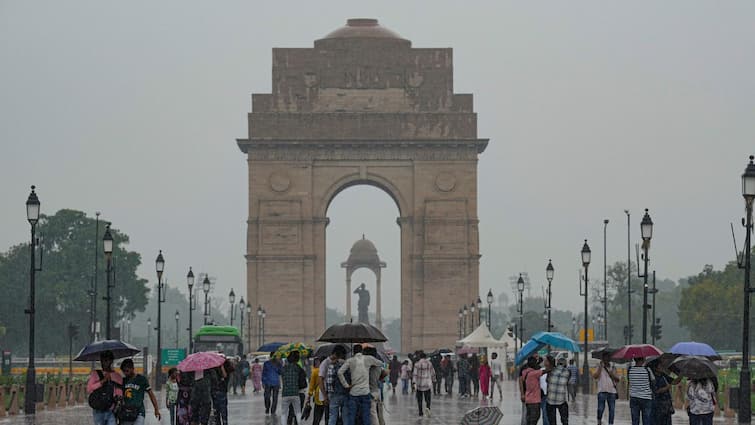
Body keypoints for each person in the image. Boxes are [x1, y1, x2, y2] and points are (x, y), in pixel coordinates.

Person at [338, 344, 383, 425]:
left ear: (353, 352)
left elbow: (339, 372)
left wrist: (346, 385)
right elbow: (380, 363)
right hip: (365, 392)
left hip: (353, 392)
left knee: (352, 416)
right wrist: (371, 364)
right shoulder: (368, 359)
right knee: (366, 416)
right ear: (362, 351)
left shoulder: (350, 360)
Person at [119, 358, 161, 425]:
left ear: (132, 368)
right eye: (123, 371)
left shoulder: (141, 379)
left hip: (139, 412)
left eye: (127, 370)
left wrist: (156, 409)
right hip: (126, 413)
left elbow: (151, 394)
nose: (125, 373)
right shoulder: (123, 381)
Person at [86, 350, 123, 425]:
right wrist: (102, 381)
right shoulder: (95, 374)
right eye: (102, 360)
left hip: (111, 410)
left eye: (106, 360)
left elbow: (119, 393)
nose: (104, 363)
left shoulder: (117, 376)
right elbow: (89, 389)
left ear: (111, 361)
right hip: (98, 410)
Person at [280, 351, 307, 425]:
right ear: (297, 359)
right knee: (298, 412)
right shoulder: (298, 368)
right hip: (297, 393)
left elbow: (280, 373)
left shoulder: (284, 368)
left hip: (285, 394)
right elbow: (304, 383)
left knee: (284, 413)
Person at [592, 353, 620, 425]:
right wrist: (600, 367)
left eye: (608, 358)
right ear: (603, 359)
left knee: (612, 410)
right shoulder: (599, 367)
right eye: (605, 358)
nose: (607, 359)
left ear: (610, 359)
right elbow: (595, 376)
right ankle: (599, 421)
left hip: (612, 392)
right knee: (600, 409)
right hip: (602, 391)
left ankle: (611, 423)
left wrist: (612, 374)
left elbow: (618, 379)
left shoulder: (613, 368)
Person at [325, 345, 349, 425]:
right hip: (346, 394)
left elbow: (329, 382)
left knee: (333, 417)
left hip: (335, 395)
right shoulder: (348, 365)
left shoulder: (332, 366)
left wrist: (329, 395)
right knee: (346, 417)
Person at [364, 346, 387, 425]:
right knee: (377, 413)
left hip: (369, 392)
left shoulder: (367, 365)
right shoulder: (378, 364)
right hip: (376, 391)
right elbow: (385, 373)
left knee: (372, 414)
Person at [627, 357, 655, 425]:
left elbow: (629, 381)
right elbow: (653, 381)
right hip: (646, 398)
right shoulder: (647, 369)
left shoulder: (630, 369)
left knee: (635, 420)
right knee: (646, 420)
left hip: (634, 398)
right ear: (643, 360)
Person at [520, 356, 545, 425]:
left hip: (527, 397)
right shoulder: (534, 372)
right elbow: (545, 371)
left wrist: (522, 394)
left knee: (528, 415)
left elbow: (521, 381)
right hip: (534, 399)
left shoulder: (524, 370)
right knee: (534, 417)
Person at [545, 356, 570, 425]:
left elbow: (547, 380)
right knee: (565, 420)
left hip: (550, 400)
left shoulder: (551, 371)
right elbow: (567, 382)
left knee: (552, 422)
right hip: (561, 400)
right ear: (565, 364)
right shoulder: (568, 372)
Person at [413, 351, 436, 417]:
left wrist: (413, 382)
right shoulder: (429, 363)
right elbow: (433, 373)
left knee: (419, 399)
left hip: (419, 384)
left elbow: (415, 374)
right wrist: (434, 380)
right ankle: (427, 408)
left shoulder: (417, 364)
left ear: (420, 357)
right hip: (427, 384)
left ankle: (420, 412)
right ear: (425, 357)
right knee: (428, 399)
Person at [307, 357, 328, 425]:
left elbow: (312, 385)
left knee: (317, 415)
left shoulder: (315, 371)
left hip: (318, 395)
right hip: (328, 395)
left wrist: (309, 396)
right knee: (327, 415)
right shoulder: (329, 369)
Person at [211, 359, 232, 425]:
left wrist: (221, 366)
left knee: (223, 413)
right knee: (216, 413)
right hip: (214, 393)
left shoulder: (226, 369)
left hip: (222, 393)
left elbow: (225, 375)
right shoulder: (213, 370)